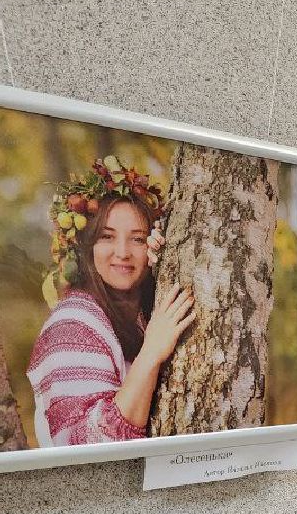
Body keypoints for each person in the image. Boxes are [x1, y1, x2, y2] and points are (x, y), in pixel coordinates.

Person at [27, 156, 195, 446]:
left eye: (138, 239)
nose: (123, 252)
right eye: (107, 237)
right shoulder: (72, 324)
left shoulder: (144, 311)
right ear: (87, 245)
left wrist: (168, 262)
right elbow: (86, 445)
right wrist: (153, 350)